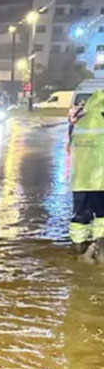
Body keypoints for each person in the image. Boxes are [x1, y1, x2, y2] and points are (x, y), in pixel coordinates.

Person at [68, 91, 104, 260]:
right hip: (101, 180)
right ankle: (100, 251)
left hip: (80, 180)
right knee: (102, 216)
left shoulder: (80, 122)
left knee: (80, 217)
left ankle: (78, 251)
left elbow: (70, 147)